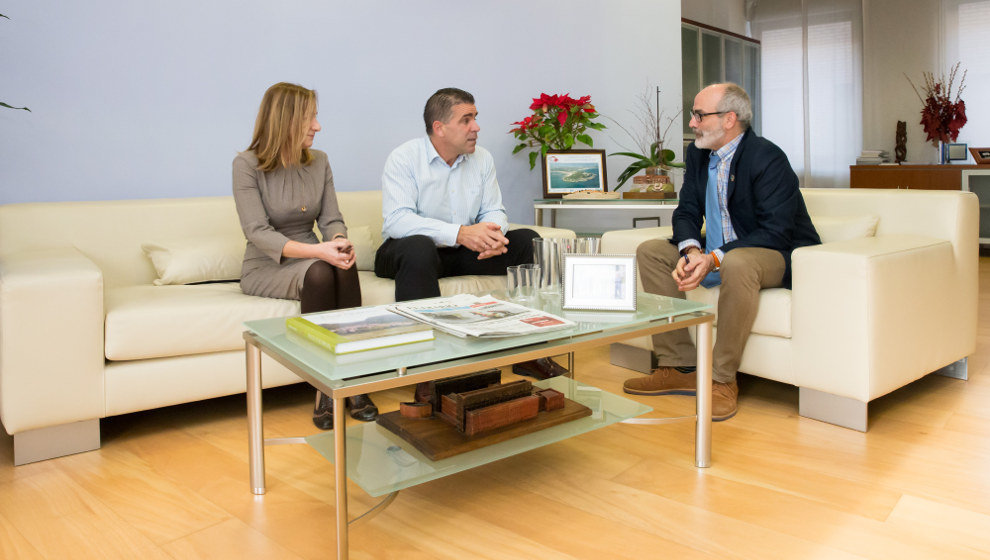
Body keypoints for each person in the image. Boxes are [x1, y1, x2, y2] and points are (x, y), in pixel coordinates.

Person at [624, 83, 820, 421]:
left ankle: (722, 379)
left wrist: (713, 257)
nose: (692, 123)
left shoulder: (767, 157)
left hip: (771, 251)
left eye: (699, 115)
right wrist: (690, 249)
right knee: (651, 251)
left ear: (729, 119)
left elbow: (775, 230)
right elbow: (686, 211)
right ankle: (679, 365)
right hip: (717, 249)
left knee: (739, 262)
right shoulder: (699, 155)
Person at [375, 87, 564, 381]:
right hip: (406, 252)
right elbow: (398, 221)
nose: (476, 127)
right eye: (466, 120)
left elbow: (493, 210)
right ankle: (429, 370)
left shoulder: (482, 159)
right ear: (439, 128)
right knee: (419, 247)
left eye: (475, 118)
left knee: (527, 241)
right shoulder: (404, 158)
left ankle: (532, 352)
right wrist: (461, 233)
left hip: (460, 254)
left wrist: (493, 235)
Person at [233, 82, 378, 430]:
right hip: (268, 263)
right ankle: (324, 390)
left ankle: (354, 379)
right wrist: (319, 251)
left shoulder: (320, 162)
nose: (317, 125)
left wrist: (339, 243)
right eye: (310, 118)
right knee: (320, 271)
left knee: (340, 264)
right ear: (286, 120)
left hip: (314, 255)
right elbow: (257, 232)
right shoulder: (246, 165)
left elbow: (330, 220)